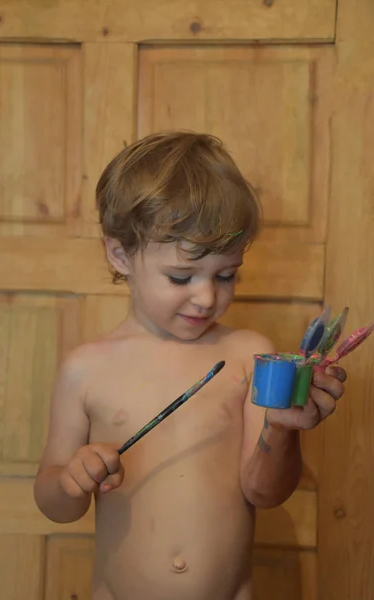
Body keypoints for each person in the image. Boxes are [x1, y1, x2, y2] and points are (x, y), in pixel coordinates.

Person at [34, 131, 346, 600]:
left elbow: (266, 493)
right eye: (181, 276)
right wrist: (71, 479)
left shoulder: (249, 356)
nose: (206, 296)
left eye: (226, 275)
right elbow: (54, 503)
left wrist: (282, 429)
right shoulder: (86, 370)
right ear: (121, 254)